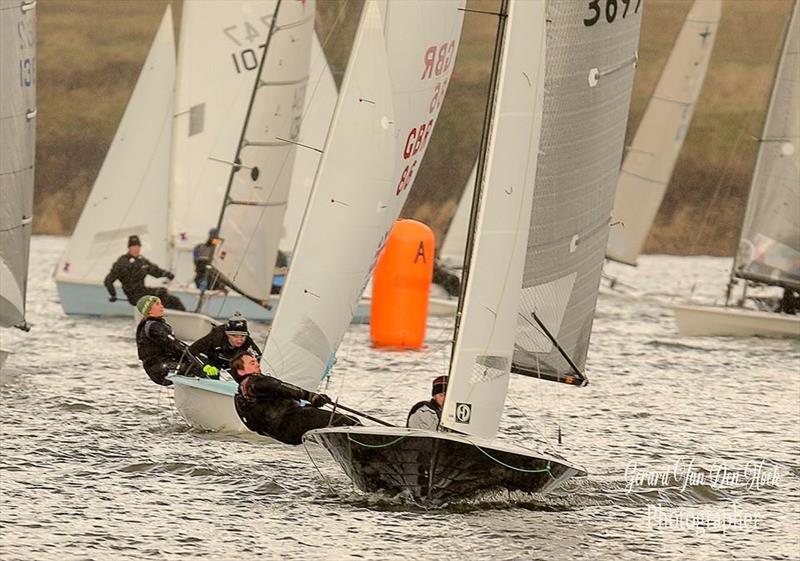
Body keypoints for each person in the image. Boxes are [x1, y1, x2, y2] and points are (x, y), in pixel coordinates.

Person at [230, 351, 359, 444]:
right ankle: (371, 446)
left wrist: (309, 405)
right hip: (293, 422)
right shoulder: (255, 382)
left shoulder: (242, 393)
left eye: (257, 361)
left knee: (333, 426)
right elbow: (280, 387)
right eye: (252, 363)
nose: (258, 365)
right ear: (241, 371)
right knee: (350, 422)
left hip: (283, 433)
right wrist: (310, 396)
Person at [105, 235, 185, 310]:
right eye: (133, 246)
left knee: (173, 299)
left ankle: (183, 315)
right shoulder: (122, 262)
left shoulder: (142, 261)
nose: (136, 249)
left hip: (143, 291)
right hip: (134, 296)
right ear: (129, 248)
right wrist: (113, 295)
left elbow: (154, 271)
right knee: (161, 293)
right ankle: (165, 314)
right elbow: (108, 281)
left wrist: (167, 274)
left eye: (138, 246)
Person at [134, 295, 193, 386]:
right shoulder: (154, 327)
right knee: (195, 368)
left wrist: (196, 352)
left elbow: (176, 346)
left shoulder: (157, 324)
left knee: (197, 363)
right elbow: (173, 345)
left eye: (161, 304)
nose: (162, 306)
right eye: (157, 304)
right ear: (149, 310)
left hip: (163, 364)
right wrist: (193, 354)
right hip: (159, 369)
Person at [188, 312, 262, 373]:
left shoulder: (248, 342)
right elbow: (192, 351)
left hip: (230, 366)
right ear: (227, 335)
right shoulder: (216, 337)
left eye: (242, 336)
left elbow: (259, 359)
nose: (239, 340)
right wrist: (205, 365)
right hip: (211, 363)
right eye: (235, 336)